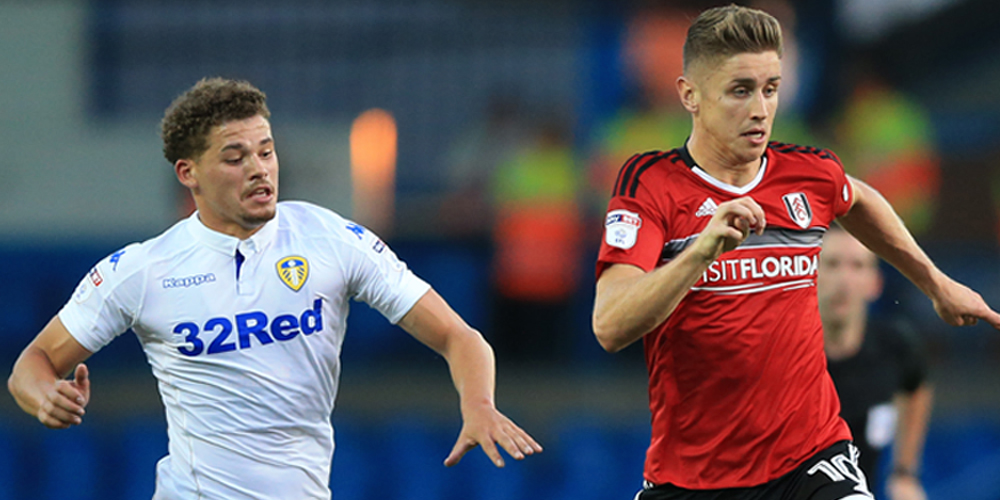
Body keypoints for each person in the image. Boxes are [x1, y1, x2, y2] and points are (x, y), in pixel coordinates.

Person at [6, 77, 542, 500]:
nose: (260, 170)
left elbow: (458, 336)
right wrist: (44, 397)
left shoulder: (328, 237)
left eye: (266, 151)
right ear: (188, 173)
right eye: (236, 158)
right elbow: (32, 364)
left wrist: (479, 403)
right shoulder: (143, 270)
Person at [590, 5, 999, 500]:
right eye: (740, 90)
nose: (760, 109)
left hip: (811, 462)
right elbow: (610, 327)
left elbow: (859, 198)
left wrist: (937, 284)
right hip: (693, 479)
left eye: (771, 88)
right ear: (689, 95)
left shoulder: (807, 172)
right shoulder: (651, 184)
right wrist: (701, 252)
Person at [820, 226, 933, 500]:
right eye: (832, 264)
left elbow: (916, 388)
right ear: (809, 275)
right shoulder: (781, 352)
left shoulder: (896, 346)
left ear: (875, 284)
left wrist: (904, 473)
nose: (844, 280)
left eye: (857, 266)